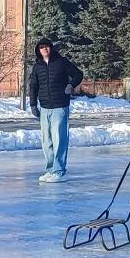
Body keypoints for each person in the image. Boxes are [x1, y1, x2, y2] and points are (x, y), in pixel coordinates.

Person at [26, 40, 85, 183]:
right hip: (45, 108)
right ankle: (50, 169)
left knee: (59, 139)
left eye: (46, 46)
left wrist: (71, 85)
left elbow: (78, 74)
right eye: (41, 47)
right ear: (38, 50)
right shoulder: (37, 66)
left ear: (51, 48)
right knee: (47, 141)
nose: (44, 49)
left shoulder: (61, 62)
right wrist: (33, 105)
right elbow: (33, 86)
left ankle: (59, 171)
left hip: (60, 106)